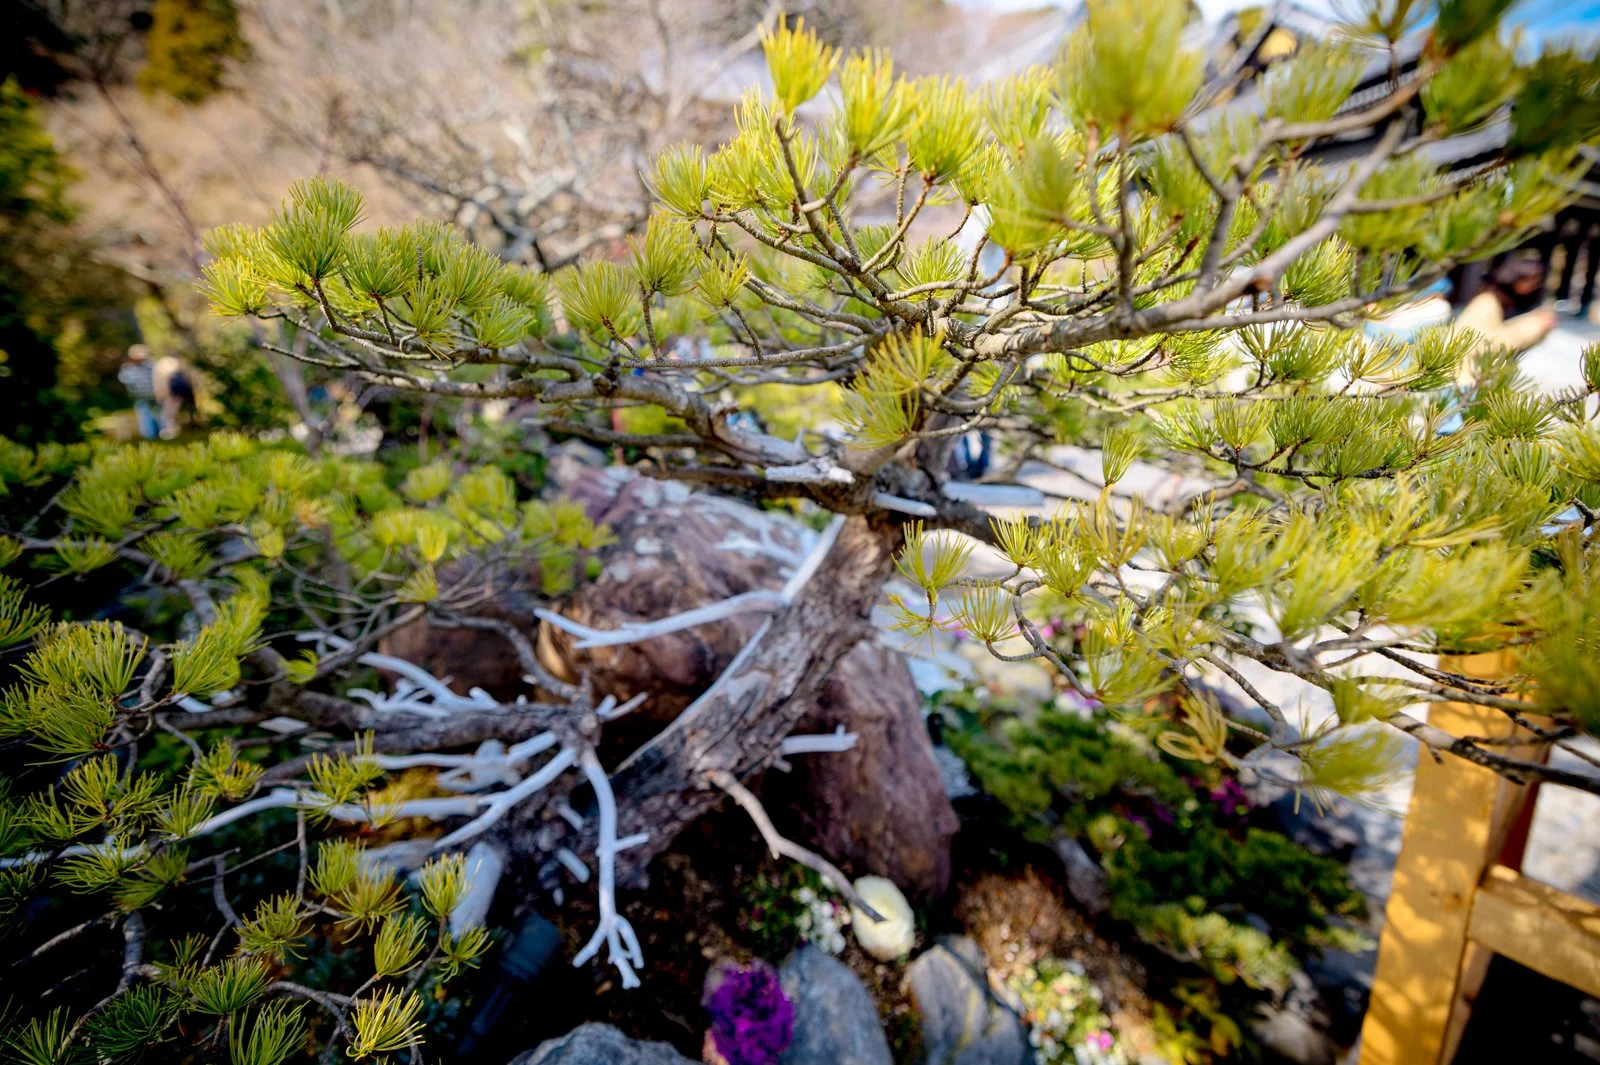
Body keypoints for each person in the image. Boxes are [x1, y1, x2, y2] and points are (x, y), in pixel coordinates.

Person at [1454, 258, 1558, 386]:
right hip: (1463, 376)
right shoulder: (1486, 303)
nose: (1531, 286)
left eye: (1535, 282)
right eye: (1527, 280)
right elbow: (1483, 345)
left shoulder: (1512, 303)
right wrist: (1533, 326)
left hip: (1483, 378)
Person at [117, 344, 161, 440]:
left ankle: (159, 433)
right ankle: (149, 435)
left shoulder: (150, 366)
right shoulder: (128, 368)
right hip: (139, 396)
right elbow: (123, 379)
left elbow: (158, 378)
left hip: (153, 395)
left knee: (157, 414)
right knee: (144, 415)